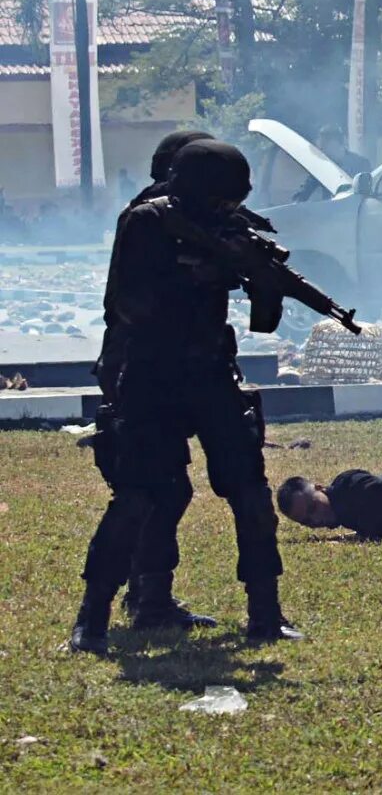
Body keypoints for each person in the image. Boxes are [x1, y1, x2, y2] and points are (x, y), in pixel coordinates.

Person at [71, 141, 302, 655]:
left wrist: (261, 283)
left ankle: (265, 613)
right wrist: (198, 273)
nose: (227, 210)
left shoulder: (232, 229)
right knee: (138, 495)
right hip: (153, 375)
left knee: (249, 490)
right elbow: (125, 304)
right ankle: (93, 619)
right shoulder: (148, 223)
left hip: (210, 372)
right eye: (220, 200)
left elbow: (262, 310)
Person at [95, 130, 218, 633]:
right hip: (141, 366)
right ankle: (141, 598)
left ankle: (146, 593)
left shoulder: (187, 215)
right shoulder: (153, 218)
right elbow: (128, 303)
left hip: (170, 365)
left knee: (164, 488)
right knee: (155, 488)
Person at [293, 124, 372, 202]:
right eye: (321, 147)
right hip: (332, 211)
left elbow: (370, 192)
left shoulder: (361, 164)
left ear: (339, 143)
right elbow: (303, 193)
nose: (322, 151)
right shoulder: (321, 167)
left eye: (325, 144)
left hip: (355, 209)